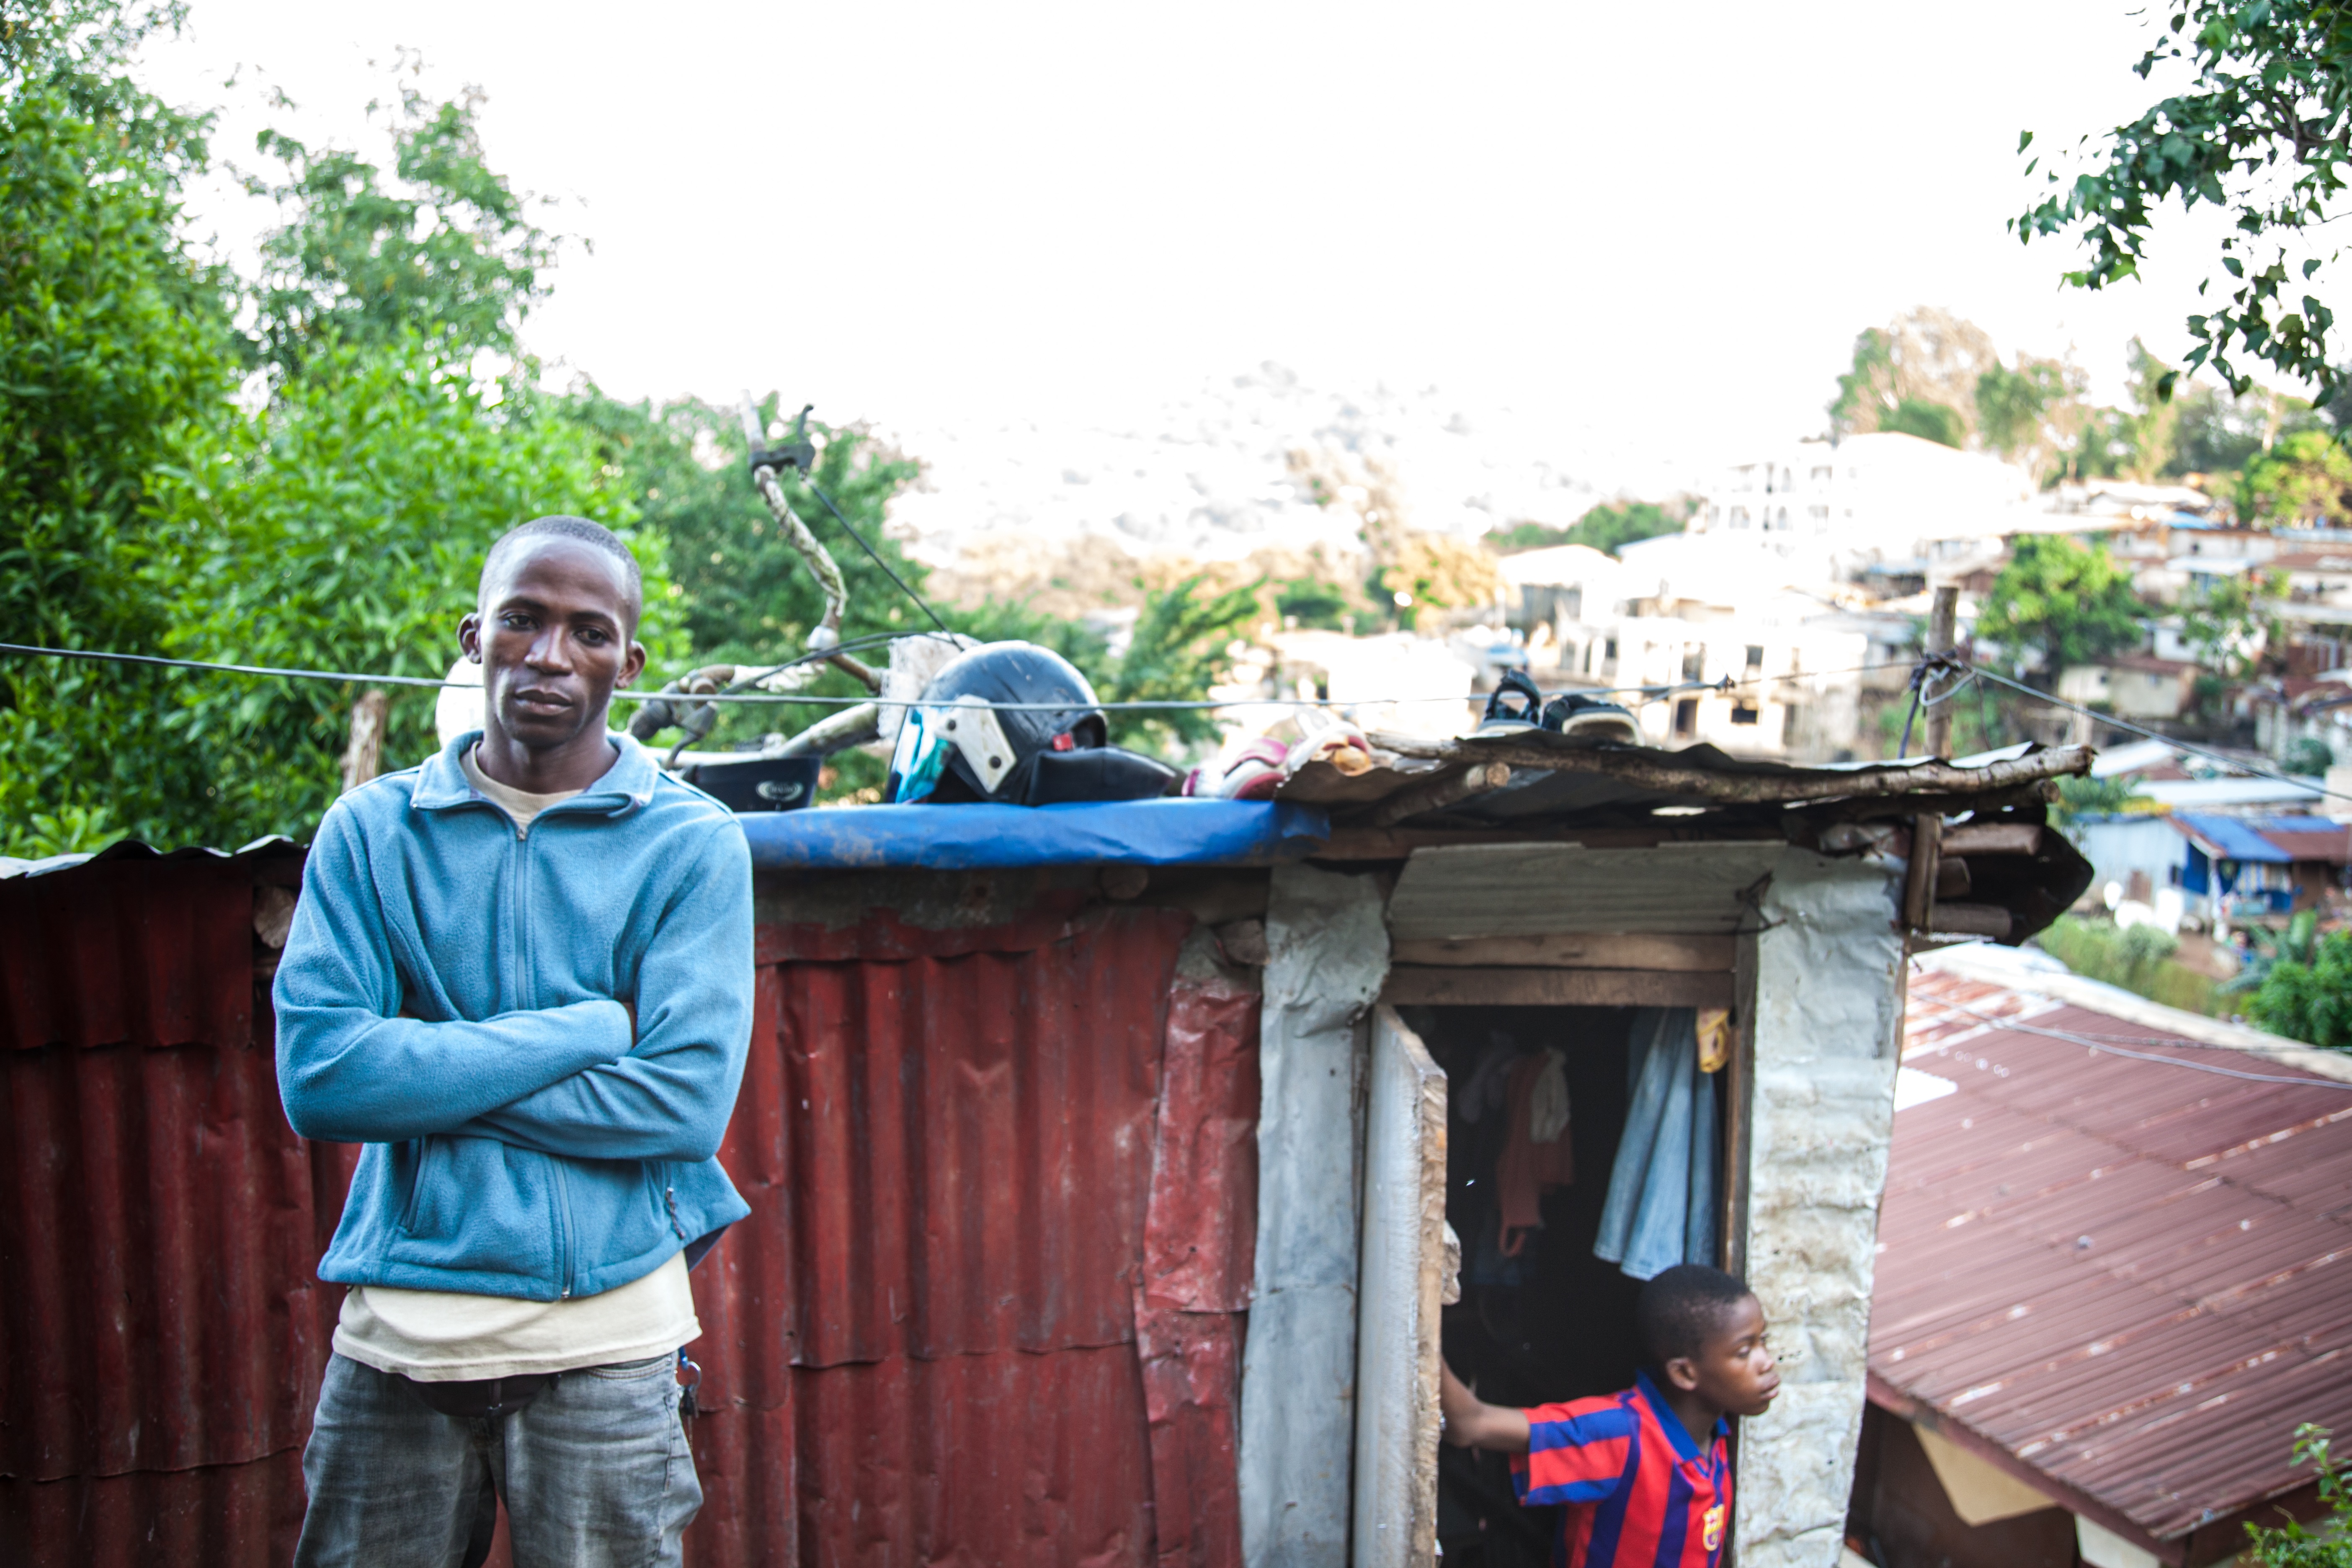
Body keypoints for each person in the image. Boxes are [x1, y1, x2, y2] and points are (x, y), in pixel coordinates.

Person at [273, 516, 755, 1568]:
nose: (548, 654)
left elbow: (679, 1106)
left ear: (629, 661)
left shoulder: (691, 842)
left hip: (611, 1346)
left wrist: (421, 1068)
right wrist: (581, 1031)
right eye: (522, 620)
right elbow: (322, 1080)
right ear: (473, 633)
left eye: (588, 631)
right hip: (398, 1337)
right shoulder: (372, 830)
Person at [1438, 1264, 1780, 1568]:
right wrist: (1417, 1329)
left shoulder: (1718, 1432)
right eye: (1744, 1351)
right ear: (1685, 1374)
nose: (1767, 1362)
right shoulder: (1618, 1433)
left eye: (1764, 1341)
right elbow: (1470, 1424)